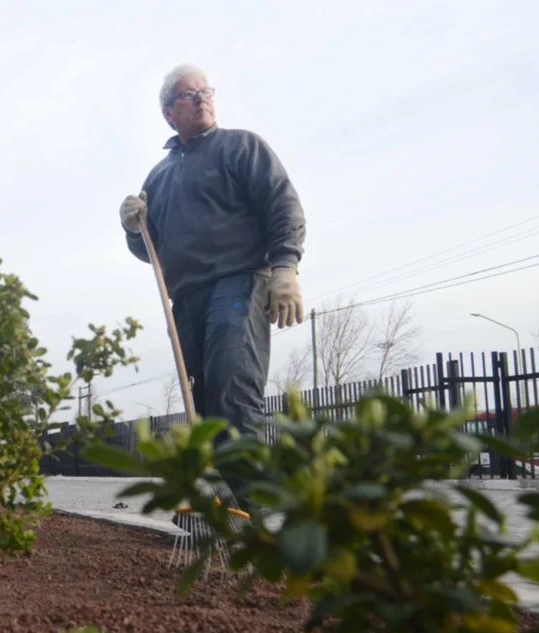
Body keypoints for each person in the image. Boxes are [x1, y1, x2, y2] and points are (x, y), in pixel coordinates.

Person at [119, 64, 307, 502]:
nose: (202, 98)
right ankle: (221, 504)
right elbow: (152, 251)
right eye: (189, 95)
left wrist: (285, 267)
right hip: (184, 297)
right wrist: (133, 228)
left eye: (206, 91)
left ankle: (253, 511)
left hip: (238, 282)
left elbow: (284, 204)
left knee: (231, 385)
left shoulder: (241, 147)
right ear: (169, 113)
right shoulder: (159, 178)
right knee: (202, 398)